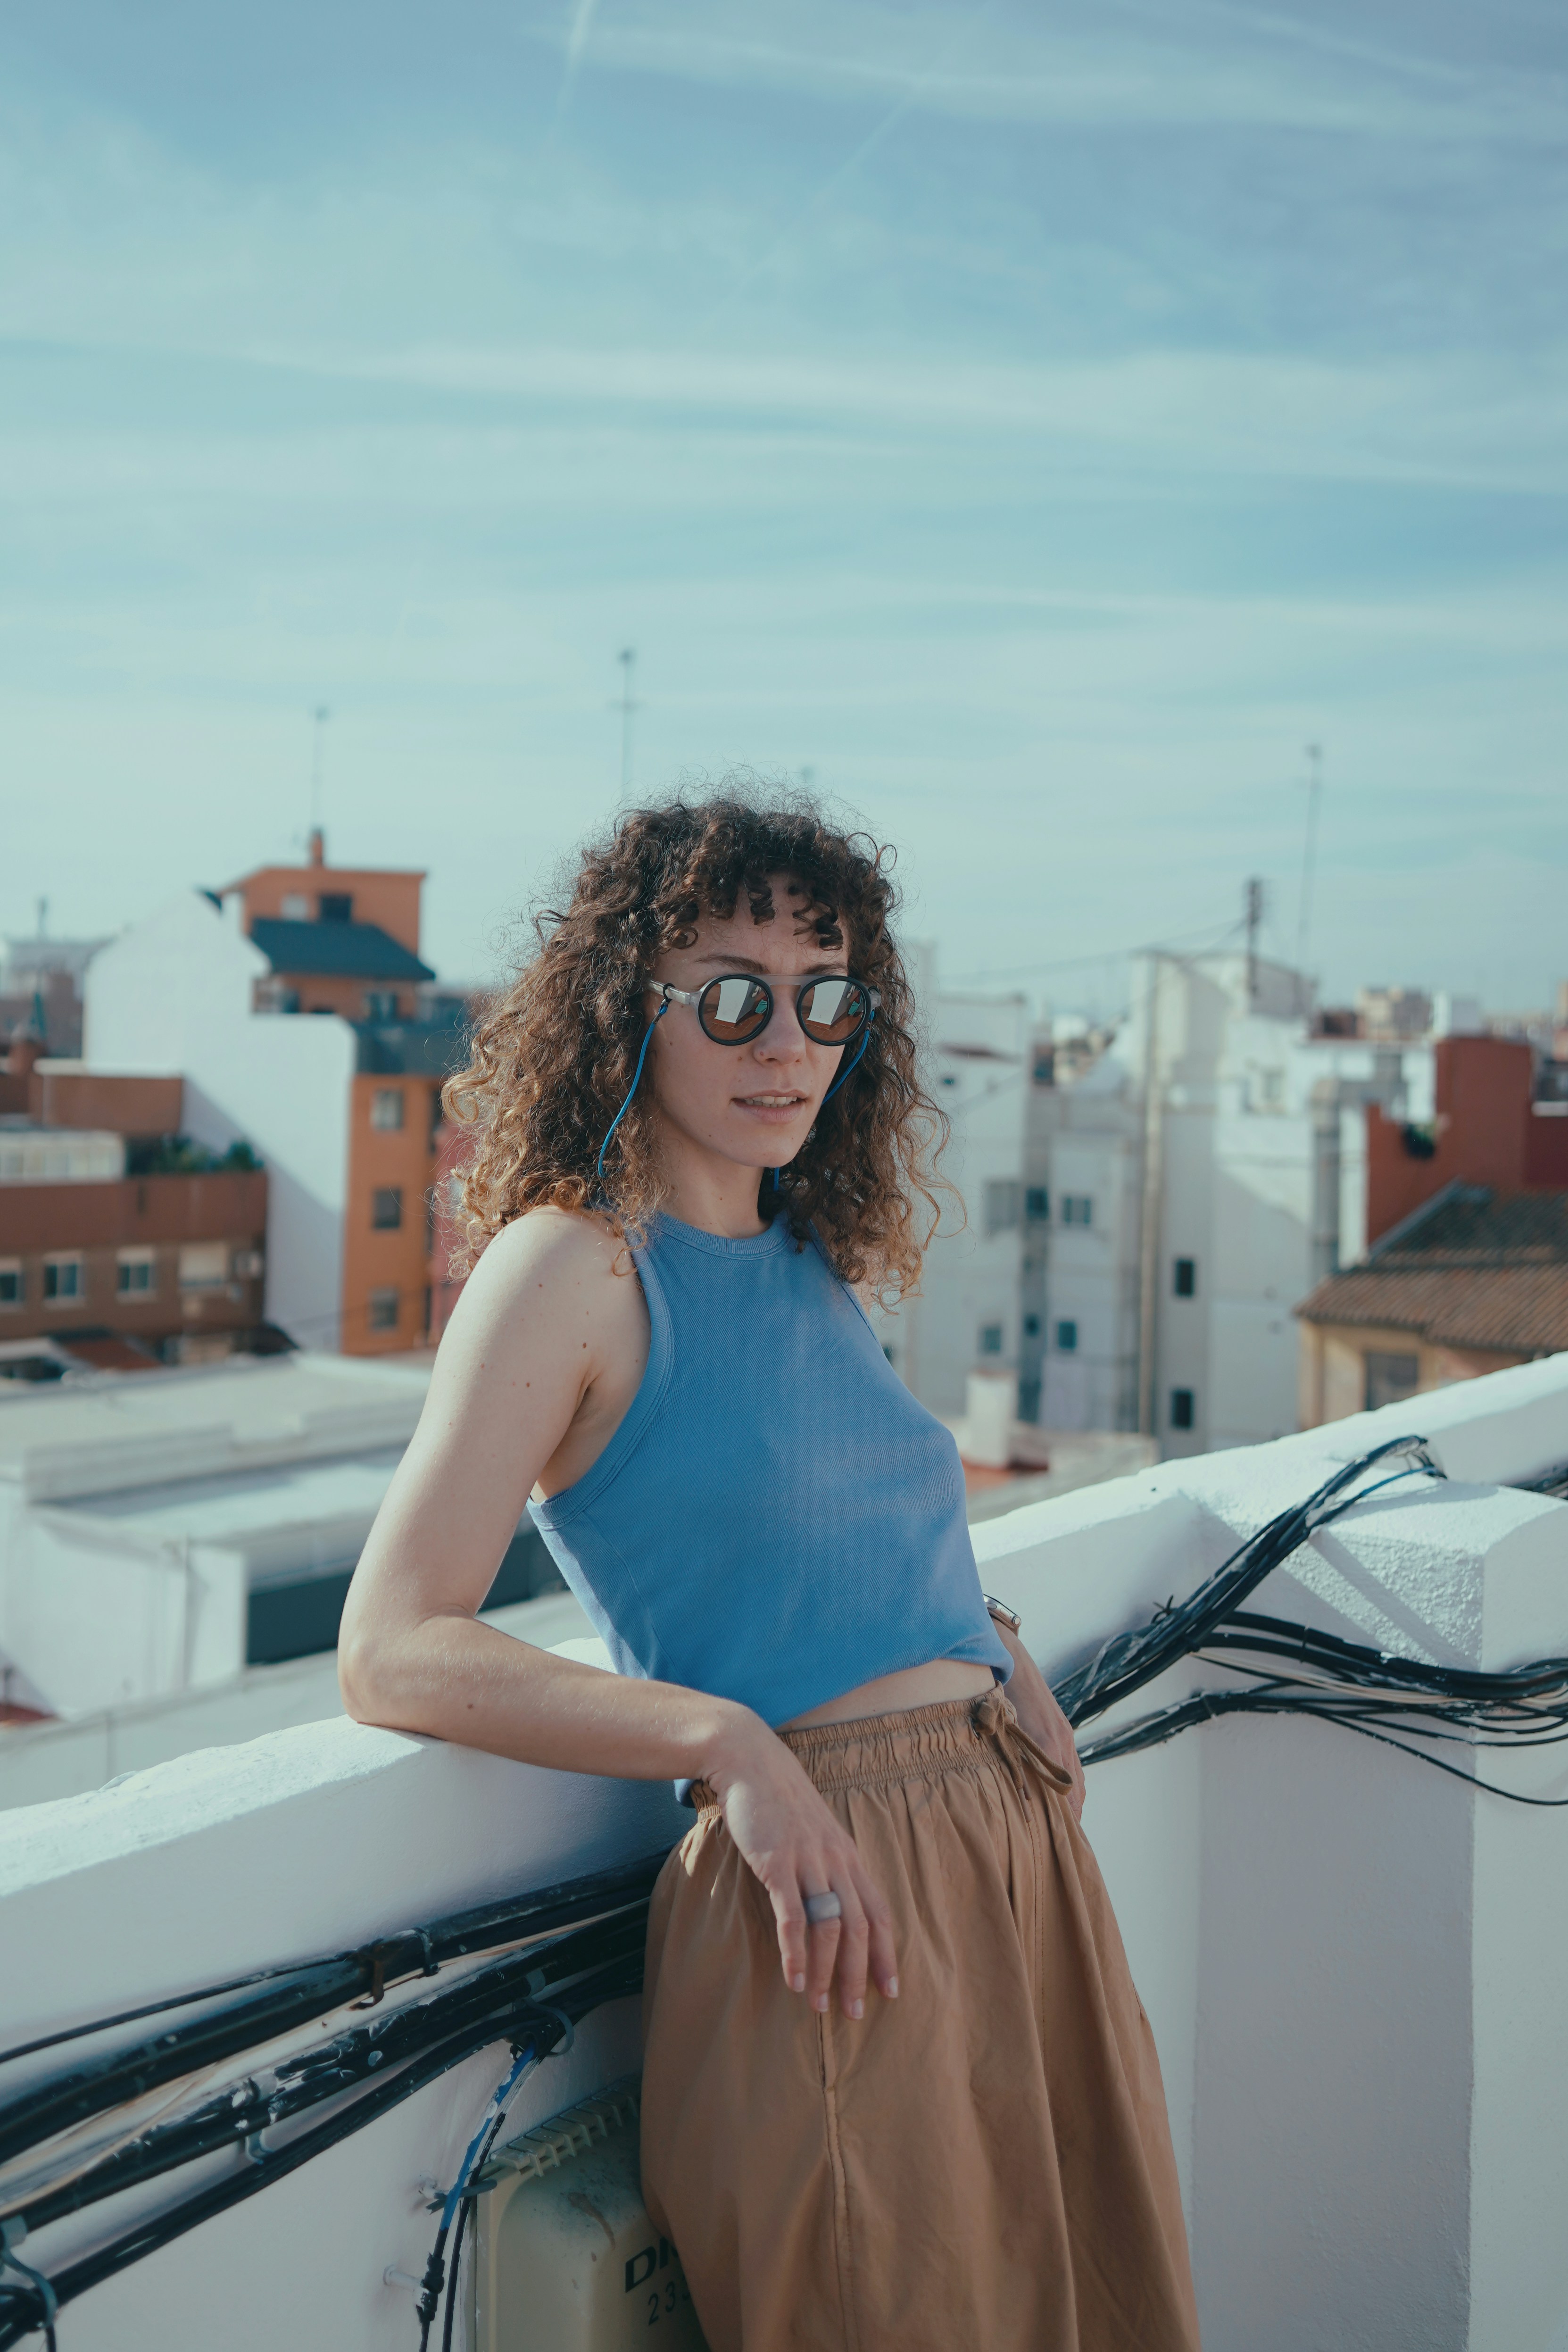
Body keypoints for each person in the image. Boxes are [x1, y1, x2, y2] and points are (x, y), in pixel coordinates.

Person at [340, 789, 1199, 2352]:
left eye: (826, 996)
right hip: (836, 1895)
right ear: (630, 1011)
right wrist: (717, 1737)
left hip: (1007, 1864)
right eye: (733, 996)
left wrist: (985, 1636)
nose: (785, 1041)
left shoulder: (804, 1256)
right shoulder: (577, 1264)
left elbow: (826, 1531)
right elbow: (389, 1644)